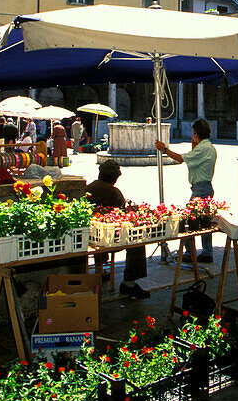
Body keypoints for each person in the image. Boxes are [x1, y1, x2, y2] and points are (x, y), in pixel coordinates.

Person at [85, 160, 150, 299]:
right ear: (115, 178)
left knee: (99, 231)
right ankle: (129, 283)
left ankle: (100, 270)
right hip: (107, 238)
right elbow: (122, 215)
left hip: (89, 236)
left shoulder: (88, 188)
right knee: (137, 240)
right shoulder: (114, 192)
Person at [156, 118, 217, 262]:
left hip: (201, 189)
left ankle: (190, 253)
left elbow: (180, 158)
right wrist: (193, 142)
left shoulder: (203, 148)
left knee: (189, 220)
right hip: (205, 187)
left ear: (196, 133)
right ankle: (207, 252)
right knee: (205, 221)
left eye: (194, 133)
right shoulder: (208, 147)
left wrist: (164, 149)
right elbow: (192, 156)